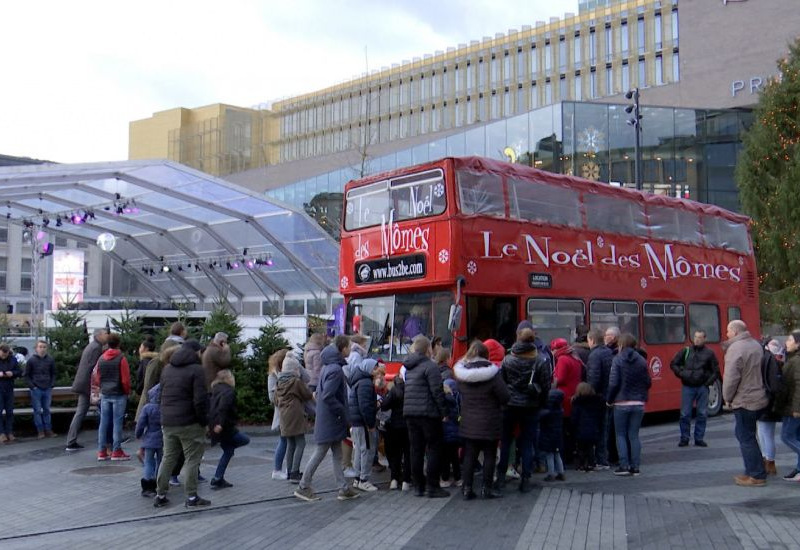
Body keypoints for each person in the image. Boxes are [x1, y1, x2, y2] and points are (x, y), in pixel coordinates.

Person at [294, 335, 360, 502]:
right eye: (348, 347)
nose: (350, 349)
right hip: (332, 420)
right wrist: (342, 412)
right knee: (320, 452)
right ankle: (303, 486)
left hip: (329, 419)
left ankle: (343, 488)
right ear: (342, 348)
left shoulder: (329, 366)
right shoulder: (336, 370)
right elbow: (328, 396)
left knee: (336, 454)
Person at [154, 340, 210, 508]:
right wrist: (203, 421)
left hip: (168, 421)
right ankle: (192, 497)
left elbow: (160, 394)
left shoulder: (167, 369)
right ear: (197, 352)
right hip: (189, 422)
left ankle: (160, 495)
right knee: (192, 459)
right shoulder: (197, 370)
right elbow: (200, 400)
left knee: (168, 458)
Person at [454, 341, 510, 499]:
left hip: (469, 422)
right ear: (486, 355)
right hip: (490, 421)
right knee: (490, 455)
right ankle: (487, 488)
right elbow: (505, 396)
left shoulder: (462, 376)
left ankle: (467, 488)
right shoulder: (493, 375)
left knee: (470, 455)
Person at [497, 328, 551, 493]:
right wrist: (540, 403)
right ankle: (525, 478)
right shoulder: (541, 360)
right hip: (530, 406)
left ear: (517, 339)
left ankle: (500, 477)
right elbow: (546, 386)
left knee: (506, 441)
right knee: (527, 443)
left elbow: (502, 384)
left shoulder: (507, 360)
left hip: (510, 406)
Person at [722, 320, 769, 487]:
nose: (726, 334)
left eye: (728, 331)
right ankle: (755, 470)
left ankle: (756, 475)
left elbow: (731, 377)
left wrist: (726, 397)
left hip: (744, 399)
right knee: (748, 435)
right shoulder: (755, 345)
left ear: (734, 332)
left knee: (745, 437)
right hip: (759, 396)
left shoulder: (735, 349)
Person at [403, 335, 450, 498]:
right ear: (428, 349)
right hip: (428, 414)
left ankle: (418, 486)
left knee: (415, 449)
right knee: (434, 448)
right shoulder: (431, 367)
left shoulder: (409, 367)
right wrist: (444, 412)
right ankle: (433, 486)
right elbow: (437, 391)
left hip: (410, 413)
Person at [607, 333, 651, 476]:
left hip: (621, 402)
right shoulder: (641, 360)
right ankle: (635, 467)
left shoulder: (617, 360)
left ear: (621, 344)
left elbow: (613, 383)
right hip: (638, 403)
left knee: (620, 435)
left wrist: (609, 399)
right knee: (634, 435)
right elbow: (648, 382)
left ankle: (624, 465)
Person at [669, 330, 720, 447]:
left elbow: (716, 371)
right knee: (685, 414)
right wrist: (681, 374)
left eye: (700, 337)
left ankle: (699, 438)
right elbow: (673, 364)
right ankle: (684, 438)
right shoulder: (686, 351)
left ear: (704, 339)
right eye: (695, 337)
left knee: (702, 413)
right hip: (687, 386)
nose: (697, 339)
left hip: (702, 387)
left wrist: (707, 383)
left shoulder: (709, 353)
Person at [66, 329, 108, 451]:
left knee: (81, 412)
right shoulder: (96, 348)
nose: (107, 335)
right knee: (105, 411)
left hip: (84, 384)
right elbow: (94, 368)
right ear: (99, 335)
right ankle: (110, 439)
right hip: (88, 386)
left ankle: (71, 440)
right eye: (105, 333)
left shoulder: (92, 346)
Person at [208, 369, 249, 489]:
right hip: (226, 426)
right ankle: (217, 478)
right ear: (227, 378)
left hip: (216, 425)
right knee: (245, 440)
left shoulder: (214, 390)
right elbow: (223, 407)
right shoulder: (229, 392)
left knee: (228, 451)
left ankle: (218, 478)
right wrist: (220, 423)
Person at [276, 354, 314, 484]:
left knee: (291, 443)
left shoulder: (279, 381)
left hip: (284, 415)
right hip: (295, 414)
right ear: (294, 369)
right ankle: (295, 472)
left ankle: (290, 471)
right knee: (301, 443)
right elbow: (307, 394)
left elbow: (275, 399)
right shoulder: (295, 382)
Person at [93, 333, 132, 460]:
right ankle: (116, 450)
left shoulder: (101, 358)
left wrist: (103, 387)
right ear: (119, 343)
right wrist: (127, 391)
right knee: (117, 423)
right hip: (119, 394)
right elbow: (125, 379)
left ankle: (101, 451)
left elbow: (97, 377)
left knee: (103, 423)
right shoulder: (121, 358)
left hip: (105, 393)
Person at [587, 327, 618, 468]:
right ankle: (605, 457)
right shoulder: (608, 352)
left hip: (598, 397)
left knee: (599, 429)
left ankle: (601, 460)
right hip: (608, 396)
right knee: (605, 429)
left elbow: (594, 379)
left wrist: (589, 393)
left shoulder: (594, 355)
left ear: (592, 340)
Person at [551, 337, 583, 463]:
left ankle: (565, 456)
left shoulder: (563, 359)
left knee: (564, 430)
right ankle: (571, 454)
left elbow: (560, 379)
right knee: (570, 428)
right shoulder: (574, 358)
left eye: (553, 350)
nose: (552, 353)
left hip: (564, 398)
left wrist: (552, 380)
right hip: (573, 396)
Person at [774, 331, 800, 481]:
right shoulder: (792, 359)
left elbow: (798, 385)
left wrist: (797, 408)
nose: (786, 342)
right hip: (792, 405)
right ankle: (798, 469)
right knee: (796, 436)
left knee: (786, 436)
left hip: (793, 407)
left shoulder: (796, 361)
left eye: (790, 340)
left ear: (797, 344)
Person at [758, 339, 785, 475]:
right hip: (770, 403)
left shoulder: (767, 359)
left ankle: (769, 461)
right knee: (765, 433)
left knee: (765, 433)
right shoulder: (774, 359)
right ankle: (768, 461)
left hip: (767, 403)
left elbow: (773, 385)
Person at [381, 373, 411, 491]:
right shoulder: (409, 391)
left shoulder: (392, 392)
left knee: (395, 455)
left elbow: (384, 406)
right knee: (408, 454)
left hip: (394, 427)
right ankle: (406, 481)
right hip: (408, 426)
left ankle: (394, 479)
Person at [25, 340, 57, 439]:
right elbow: (26, 375)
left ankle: (48, 429)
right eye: (40, 347)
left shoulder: (50, 360)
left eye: (44, 347)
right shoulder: (31, 360)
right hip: (36, 389)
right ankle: (40, 431)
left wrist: (51, 385)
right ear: (36, 348)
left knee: (47, 410)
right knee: (37, 411)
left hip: (47, 388)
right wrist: (32, 386)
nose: (42, 349)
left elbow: (53, 373)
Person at [135, 384, 163, 497]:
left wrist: (138, 434)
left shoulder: (147, 408)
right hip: (162, 439)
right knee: (161, 462)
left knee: (148, 462)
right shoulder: (165, 407)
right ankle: (159, 483)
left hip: (149, 440)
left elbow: (141, 424)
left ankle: (147, 485)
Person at [571, 382, 605, 471]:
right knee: (590, 447)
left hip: (580, 430)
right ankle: (591, 463)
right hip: (594, 430)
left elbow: (574, 418)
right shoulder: (597, 402)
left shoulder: (577, 402)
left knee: (581, 448)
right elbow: (600, 417)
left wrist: (572, 429)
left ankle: (582, 464)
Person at [268, 348, 291, 480]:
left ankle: (288, 468)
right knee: (284, 440)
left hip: (287, 411)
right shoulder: (273, 375)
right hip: (282, 412)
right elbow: (272, 397)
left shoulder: (286, 373)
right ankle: (277, 469)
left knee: (288, 441)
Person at [539, 389, 566, 482]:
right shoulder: (560, 410)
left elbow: (539, 416)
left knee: (549, 455)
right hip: (558, 436)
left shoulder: (546, 412)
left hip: (548, 436)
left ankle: (551, 474)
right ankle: (561, 472)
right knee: (557, 455)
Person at [440, 378, 462, 488]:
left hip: (444, 434)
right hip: (455, 434)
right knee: (455, 457)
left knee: (445, 458)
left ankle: (445, 478)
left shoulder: (441, 401)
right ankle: (458, 478)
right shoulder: (455, 400)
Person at [0, 344, 21, 444]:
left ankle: (9, 432)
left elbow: (19, 372)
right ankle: (1, 433)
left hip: (9, 388)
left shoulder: (13, 359)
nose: (4, 355)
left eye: (6, 353)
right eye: (2, 353)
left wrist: (12, 373)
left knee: (10, 412)